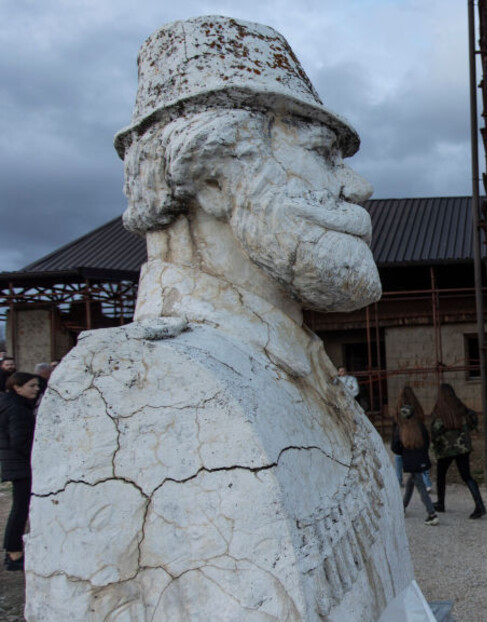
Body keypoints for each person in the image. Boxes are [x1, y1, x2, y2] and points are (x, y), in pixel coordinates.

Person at [27, 17, 426, 618]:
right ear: (213, 176)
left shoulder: (300, 368)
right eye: (321, 153)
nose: (358, 185)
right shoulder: (130, 386)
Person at [428, 383, 486, 519]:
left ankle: (441, 503)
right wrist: (466, 431)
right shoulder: (460, 407)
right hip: (462, 447)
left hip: (446, 449)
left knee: (441, 475)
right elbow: (473, 418)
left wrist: (436, 443)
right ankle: (480, 505)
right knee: (467, 476)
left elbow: (435, 430)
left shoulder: (440, 410)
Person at [0, 372, 39, 571]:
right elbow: (21, 442)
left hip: (15, 464)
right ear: (18, 387)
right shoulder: (18, 410)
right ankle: (14, 553)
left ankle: (13, 551)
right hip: (21, 466)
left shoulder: (11, 405)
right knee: (20, 509)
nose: (36, 389)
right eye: (31, 386)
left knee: (20, 509)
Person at [391, 395, 439, 527]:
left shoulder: (401, 429)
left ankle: (432, 514)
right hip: (421, 459)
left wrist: (404, 452)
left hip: (410, 461)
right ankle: (402, 507)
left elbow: (394, 447)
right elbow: (427, 441)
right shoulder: (420, 426)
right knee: (411, 483)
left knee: (421, 487)